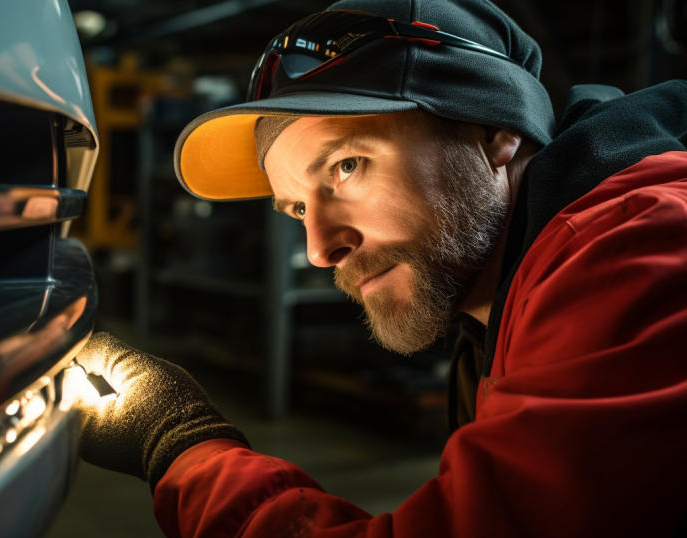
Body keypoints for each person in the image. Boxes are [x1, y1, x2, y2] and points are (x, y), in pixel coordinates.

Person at [73, 0, 687, 536]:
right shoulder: (504, 304)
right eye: (293, 208)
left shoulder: (638, 255)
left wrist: (179, 444)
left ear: (494, 129)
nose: (318, 247)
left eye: (345, 167)